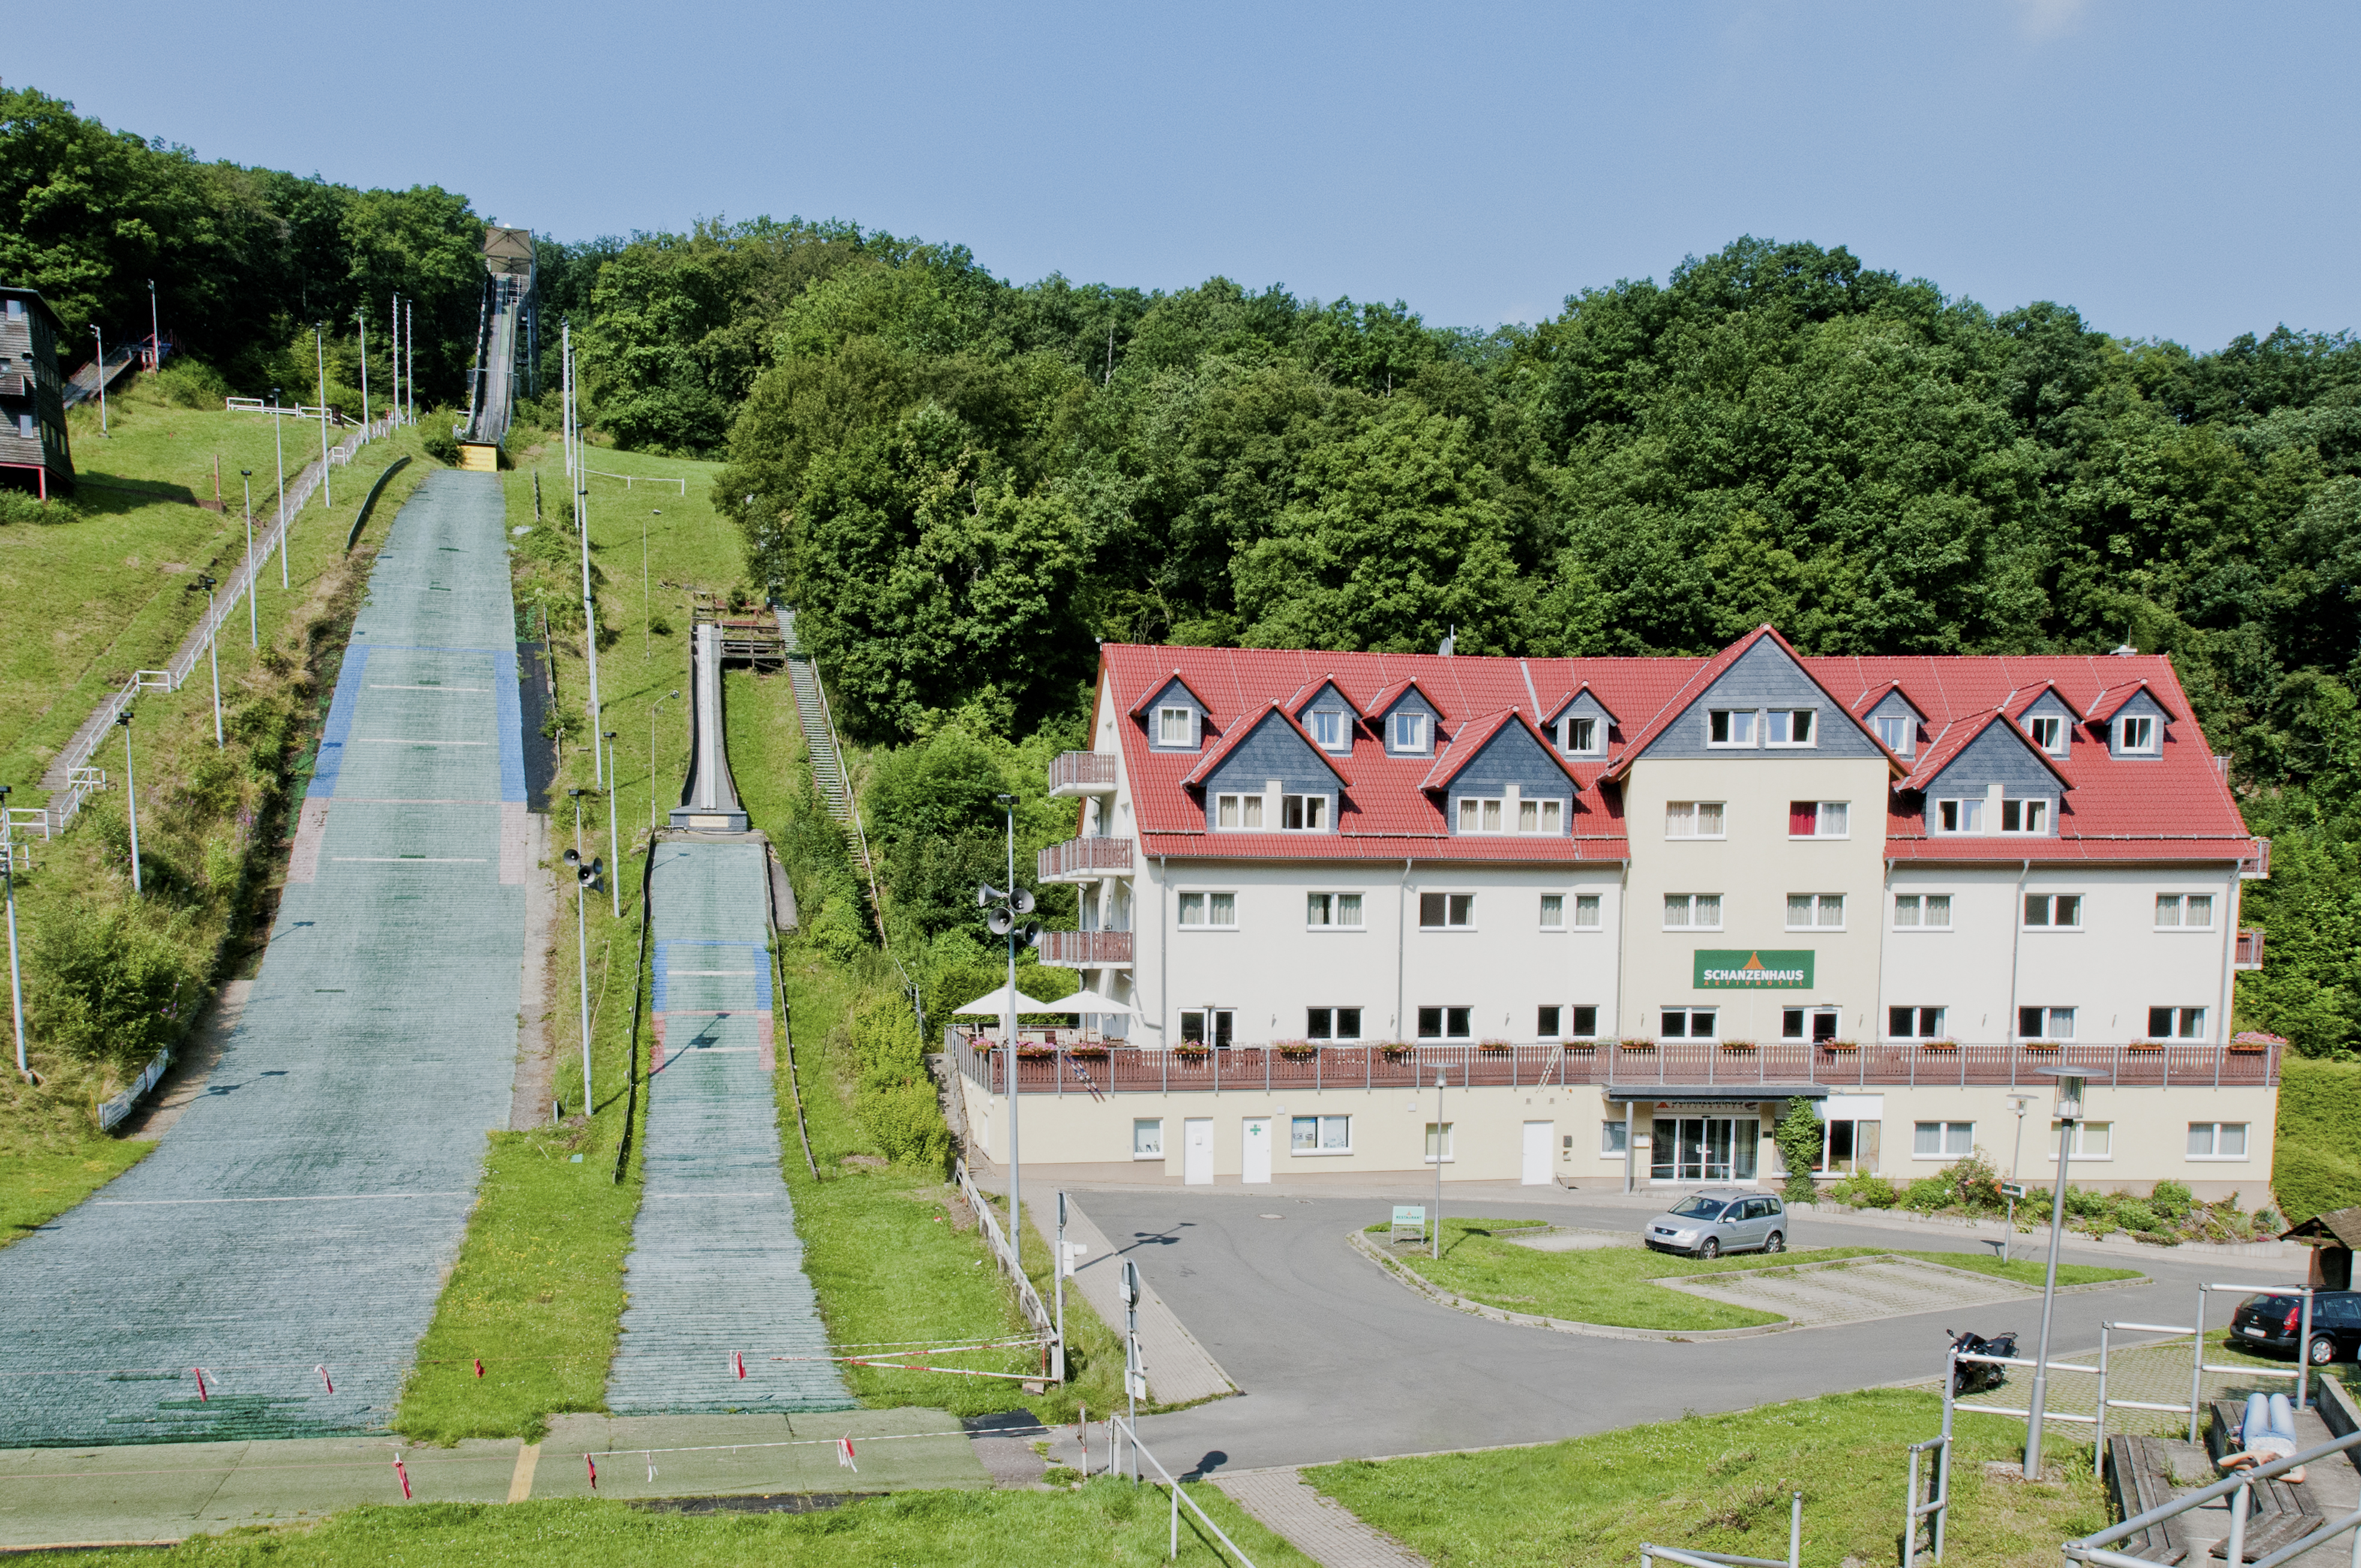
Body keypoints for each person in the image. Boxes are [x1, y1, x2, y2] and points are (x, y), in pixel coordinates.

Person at [2217, 1391, 2305, 1482]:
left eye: (2264, 1458)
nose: (2267, 1454)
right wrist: (2274, 1474)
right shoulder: (2290, 1460)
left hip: (2256, 1436)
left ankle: (2242, 1437)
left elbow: (2222, 1462)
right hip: (2285, 1437)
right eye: (2271, 1455)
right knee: (2279, 1397)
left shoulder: (2256, 1465)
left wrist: (2252, 1453)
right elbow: (2299, 1477)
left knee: (2257, 1397)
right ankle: (2242, 1437)